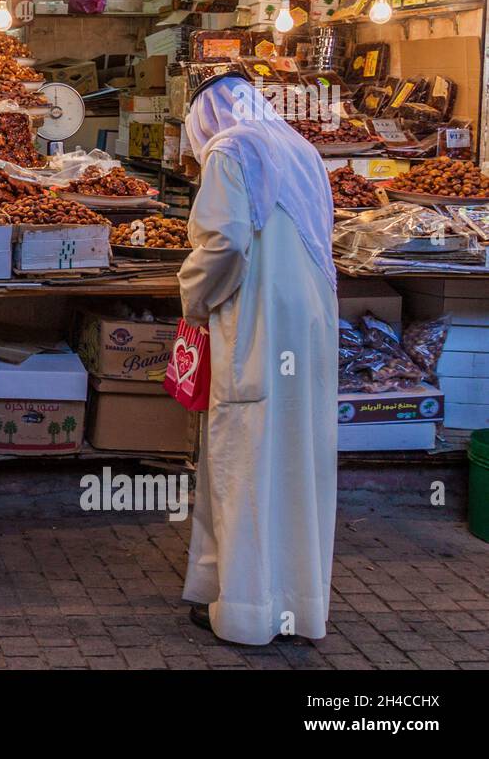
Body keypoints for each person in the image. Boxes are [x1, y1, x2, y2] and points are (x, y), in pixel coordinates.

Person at [177, 73, 338, 646]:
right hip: (311, 322)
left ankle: (245, 607)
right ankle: (296, 603)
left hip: (261, 321)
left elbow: (223, 241)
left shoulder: (231, 149)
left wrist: (193, 300)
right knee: (296, 457)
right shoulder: (302, 149)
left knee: (245, 455)